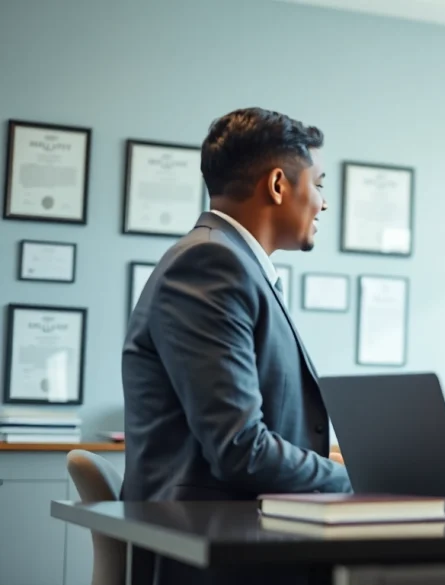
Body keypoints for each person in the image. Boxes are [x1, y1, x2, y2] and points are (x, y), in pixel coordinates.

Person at [121, 107, 350, 585]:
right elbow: (241, 448)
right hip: (214, 557)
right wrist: (368, 483)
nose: (324, 203)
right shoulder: (211, 263)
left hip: (241, 540)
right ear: (278, 185)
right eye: (320, 183)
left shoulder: (230, 263)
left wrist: (337, 464)